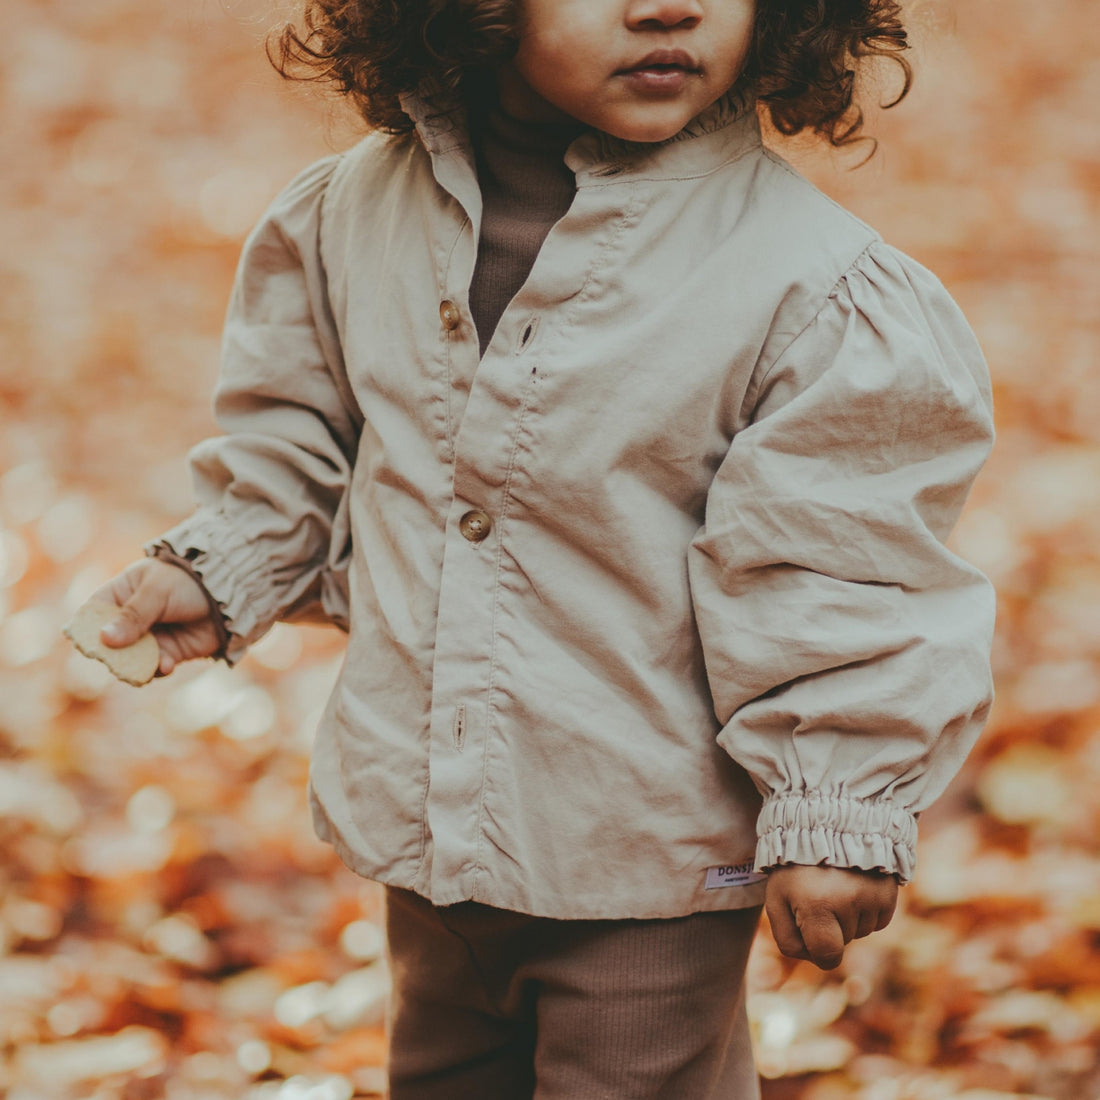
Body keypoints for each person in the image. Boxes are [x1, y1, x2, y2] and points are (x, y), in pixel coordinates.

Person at [94, 0, 996, 1095]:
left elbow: (841, 563)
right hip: (429, 823)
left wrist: (838, 794)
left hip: (645, 857)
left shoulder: (804, 288)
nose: (668, 6)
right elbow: (305, 438)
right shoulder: (351, 217)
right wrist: (219, 565)